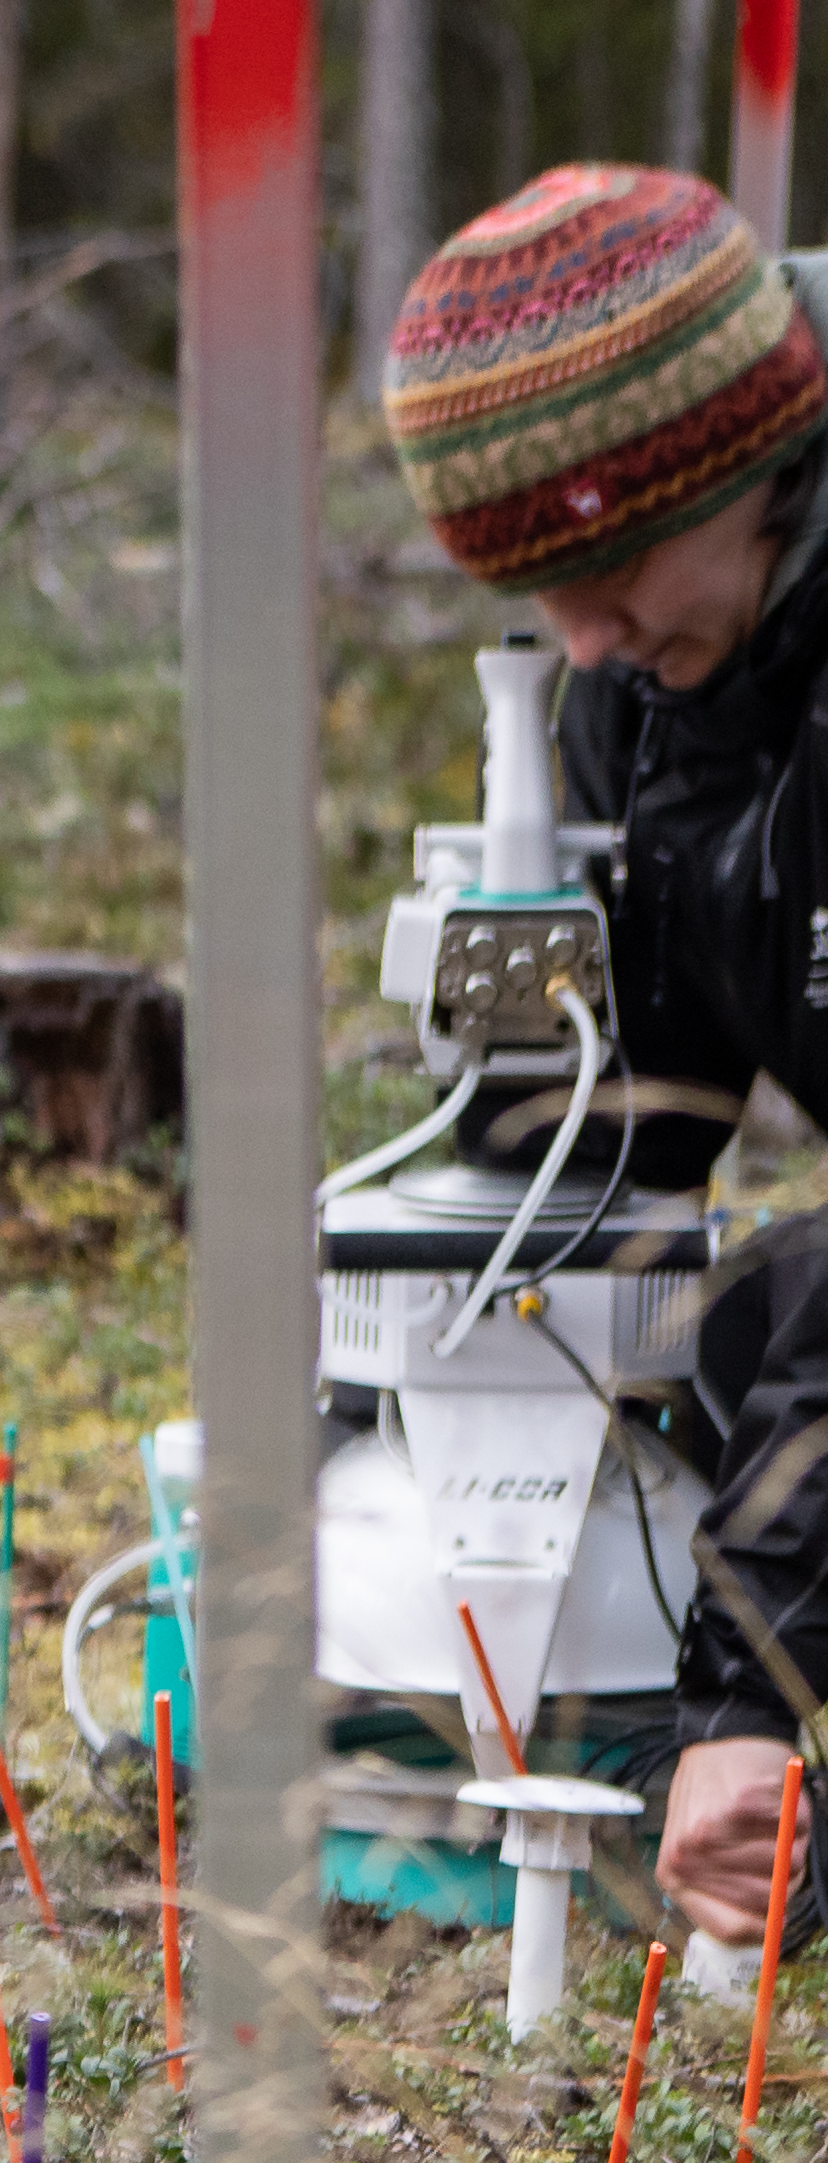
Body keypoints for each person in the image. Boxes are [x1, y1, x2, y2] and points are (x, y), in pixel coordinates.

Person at [385, 161, 828, 1942]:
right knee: (717, 1330)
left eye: (607, 568)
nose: (582, 641)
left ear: (745, 468)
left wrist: (751, 1691)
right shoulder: (639, 688)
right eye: (533, 593)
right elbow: (610, 1150)